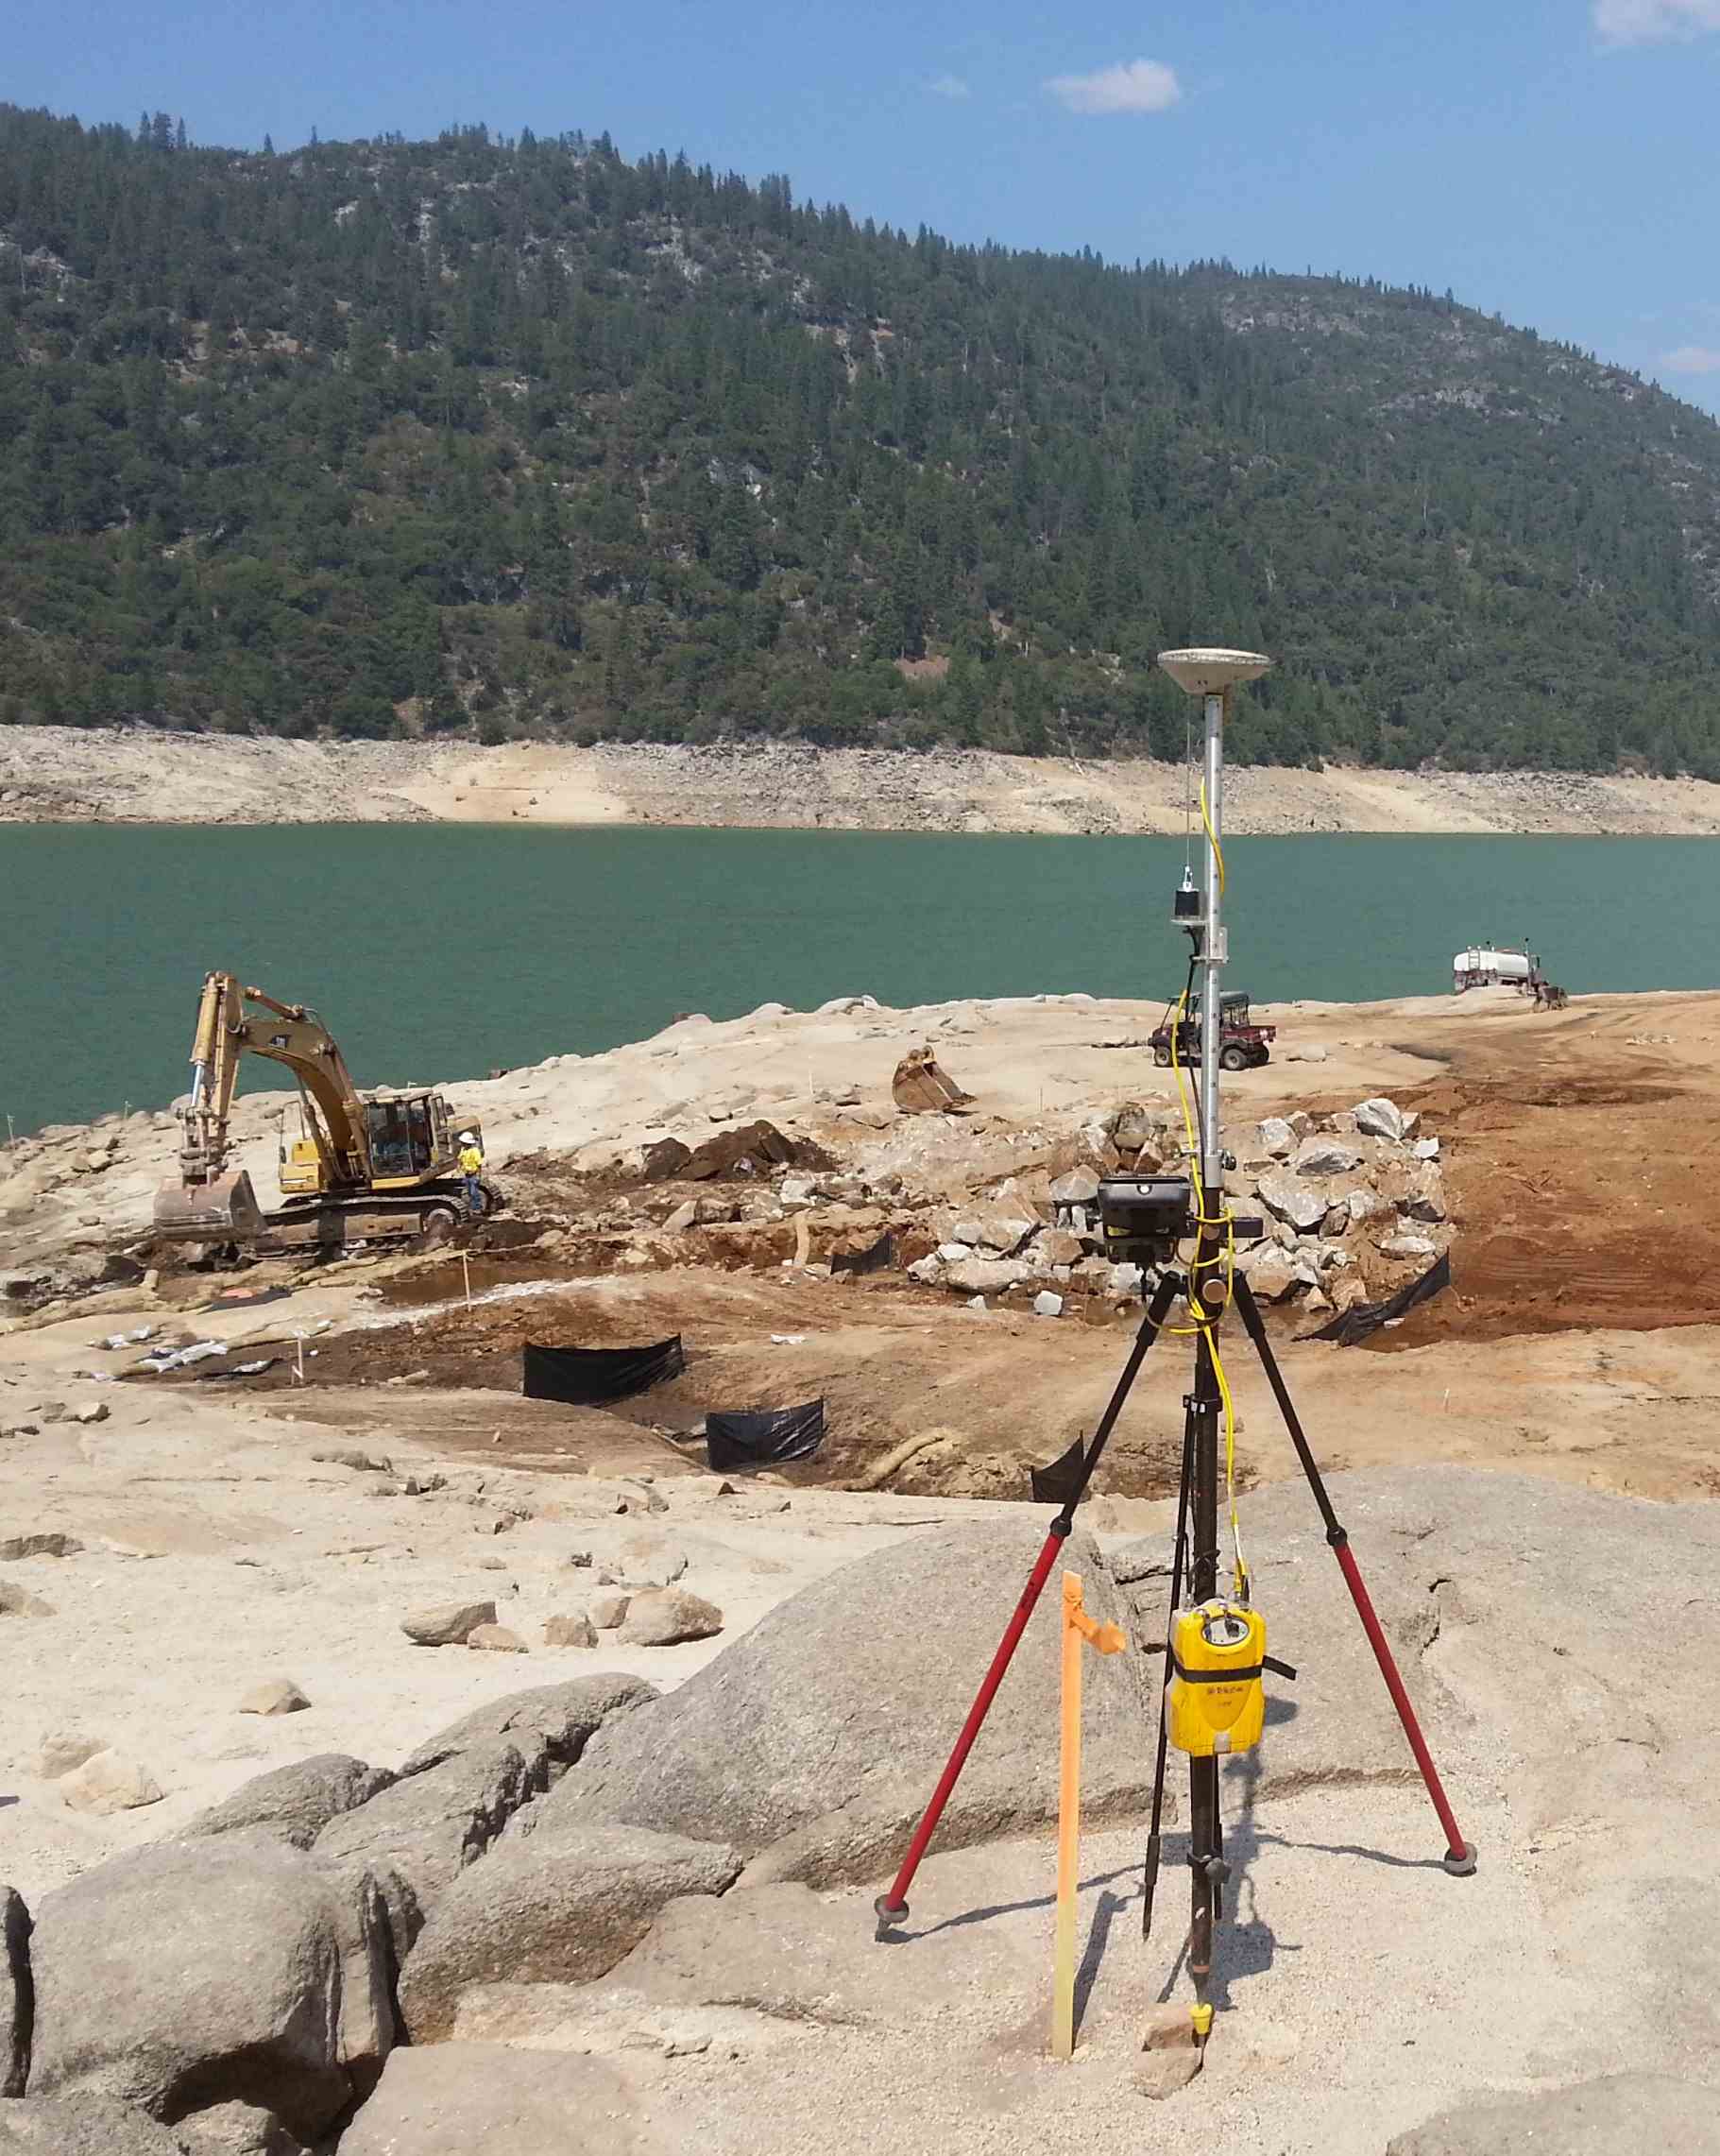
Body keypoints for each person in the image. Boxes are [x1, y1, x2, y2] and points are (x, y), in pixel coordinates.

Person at [457, 1130, 485, 1217]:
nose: (462, 1144)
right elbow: (460, 1159)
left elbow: (479, 1164)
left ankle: (477, 1208)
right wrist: (459, 1167)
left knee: (474, 1192)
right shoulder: (463, 1150)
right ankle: (473, 1208)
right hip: (467, 1174)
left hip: (473, 1174)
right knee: (469, 1192)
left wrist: (478, 1176)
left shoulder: (474, 1151)